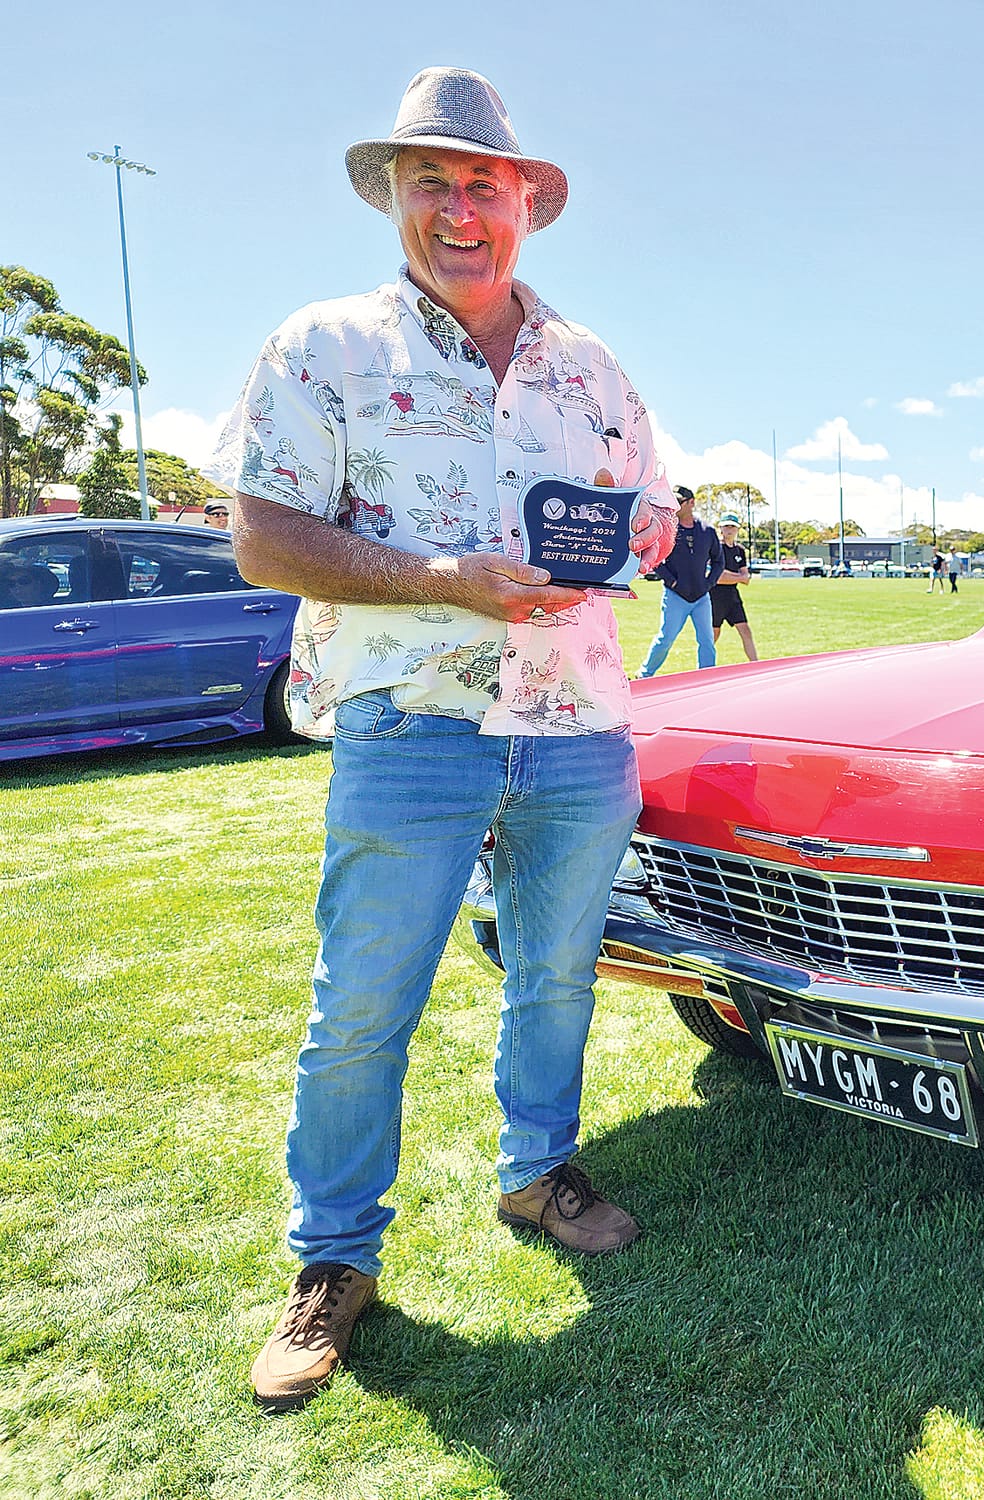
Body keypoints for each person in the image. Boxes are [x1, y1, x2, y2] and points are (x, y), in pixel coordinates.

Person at [210, 67, 673, 1410]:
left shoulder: (590, 364)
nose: (461, 208)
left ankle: (537, 1172)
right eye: (433, 182)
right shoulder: (323, 346)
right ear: (395, 198)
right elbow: (263, 537)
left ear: (524, 200)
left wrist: (647, 526)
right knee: (364, 1005)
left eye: (485, 183)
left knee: (557, 976)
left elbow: (651, 498)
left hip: (577, 723)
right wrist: (440, 582)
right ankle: (333, 1261)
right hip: (412, 722)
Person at [637, 486, 724, 674]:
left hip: (701, 597)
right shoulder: (669, 529)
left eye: (679, 502)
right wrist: (672, 582)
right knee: (666, 639)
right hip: (675, 596)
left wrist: (709, 583)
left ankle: (707, 676)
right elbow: (656, 559)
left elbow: (719, 561)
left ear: (691, 503)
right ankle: (644, 675)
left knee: (707, 640)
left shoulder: (707, 531)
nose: (674, 506)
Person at [709, 512, 758, 661]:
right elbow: (718, 577)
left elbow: (746, 578)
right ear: (721, 528)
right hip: (715, 597)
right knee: (714, 634)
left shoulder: (740, 550)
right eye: (726, 526)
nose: (729, 529)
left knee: (745, 630)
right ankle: (705, 665)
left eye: (733, 526)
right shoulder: (716, 548)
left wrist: (731, 576)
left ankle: (756, 665)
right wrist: (737, 577)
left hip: (733, 598)